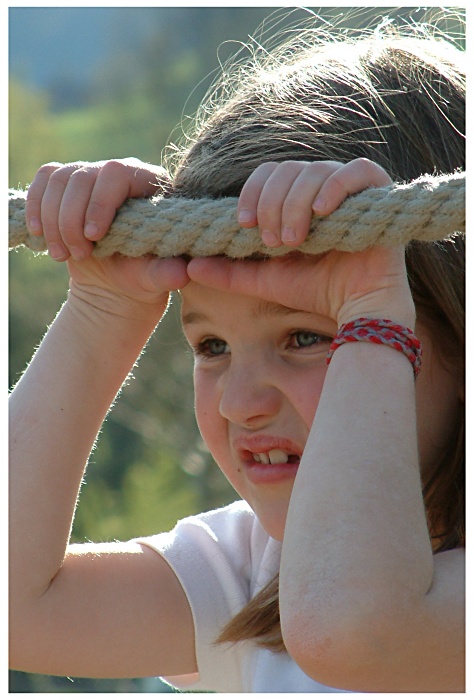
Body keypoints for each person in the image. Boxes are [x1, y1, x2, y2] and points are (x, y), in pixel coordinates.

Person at [9, 12, 465, 693]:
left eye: (306, 337)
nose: (239, 402)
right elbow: (12, 610)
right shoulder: (252, 571)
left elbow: (357, 632)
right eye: (212, 344)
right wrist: (101, 311)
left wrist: (372, 310)